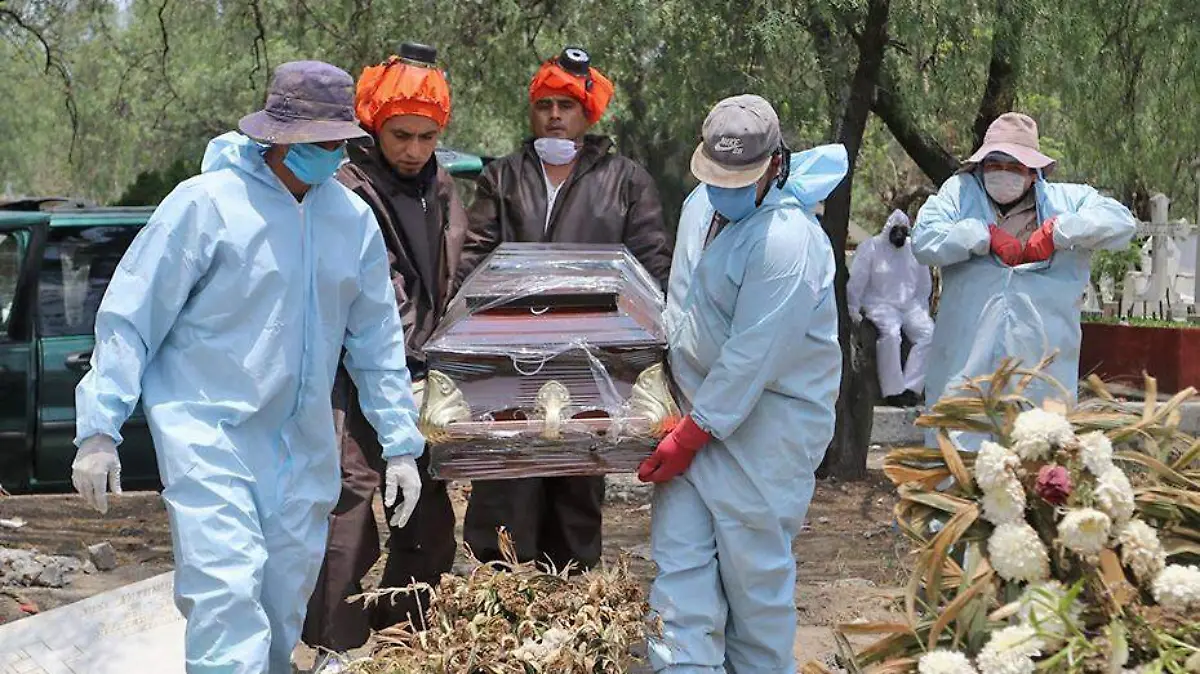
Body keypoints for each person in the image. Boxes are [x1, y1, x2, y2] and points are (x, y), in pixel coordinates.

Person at [70, 61, 425, 674]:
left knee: (281, 608)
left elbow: (376, 343)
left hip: (304, 450)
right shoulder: (205, 205)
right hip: (209, 438)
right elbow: (133, 315)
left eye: (337, 140)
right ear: (277, 134)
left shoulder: (352, 221)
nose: (329, 152)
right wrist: (100, 427)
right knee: (226, 599)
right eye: (316, 140)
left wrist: (400, 444)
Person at [640, 94, 848, 674]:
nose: (723, 189)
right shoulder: (697, 207)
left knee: (754, 588)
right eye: (714, 177)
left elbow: (754, 354)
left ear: (775, 166)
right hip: (689, 417)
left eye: (739, 179)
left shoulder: (789, 240)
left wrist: (693, 434)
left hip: (765, 433)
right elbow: (680, 304)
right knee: (678, 575)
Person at [457, 47, 672, 572]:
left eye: (567, 105)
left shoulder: (625, 181)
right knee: (504, 490)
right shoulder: (502, 178)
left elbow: (651, 271)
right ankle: (496, 624)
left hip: (591, 366)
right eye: (545, 104)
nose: (555, 115)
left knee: (577, 490)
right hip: (508, 365)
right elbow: (473, 261)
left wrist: (639, 353)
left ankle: (568, 624)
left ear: (588, 113)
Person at [301, 44, 467, 671]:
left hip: (426, 373)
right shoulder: (346, 188)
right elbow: (377, 300)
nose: (414, 149)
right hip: (353, 375)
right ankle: (332, 644)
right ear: (373, 125)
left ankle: (407, 639)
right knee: (351, 503)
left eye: (428, 136)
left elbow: (452, 276)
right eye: (402, 135)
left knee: (427, 511)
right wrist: (404, 366)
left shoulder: (441, 187)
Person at [913, 112, 1135, 439]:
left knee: (1037, 470)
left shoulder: (1068, 201)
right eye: (994, 164)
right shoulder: (959, 195)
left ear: (1034, 173)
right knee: (957, 472)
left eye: (1014, 166)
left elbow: (1121, 224)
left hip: (1042, 378)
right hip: (965, 374)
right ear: (980, 165)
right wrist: (982, 235)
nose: (1002, 173)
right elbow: (924, 240)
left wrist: (1059, 231)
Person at [848, 208, 935, 407]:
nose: (899, 235)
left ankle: (912, 388)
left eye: (903, 231)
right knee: (891, 334)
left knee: (929, 335)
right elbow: (857, 280)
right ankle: (893, 390)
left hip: (910, 306)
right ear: (888, 229)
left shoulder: (914, 250)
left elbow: (923, 287)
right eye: (896, 230)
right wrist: (853, 306)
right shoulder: (871, 248)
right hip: (879, 303)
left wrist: (922, 311)